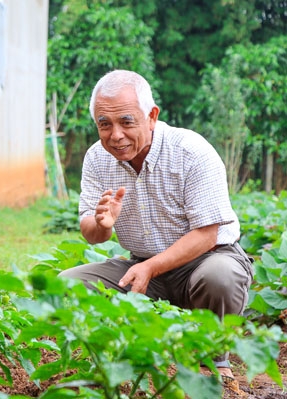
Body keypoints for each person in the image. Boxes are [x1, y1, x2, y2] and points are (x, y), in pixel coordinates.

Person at [58, 70, 253, 382]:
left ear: (151, 116)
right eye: (104, 124)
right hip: (143, 266)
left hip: (207, 259)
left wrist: (151, 268)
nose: (115, 135)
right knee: (65, 285)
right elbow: (91, 233)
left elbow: (207, 234)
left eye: (126, 122)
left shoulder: (191, 151)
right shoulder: (97, 158)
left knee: (220, 277)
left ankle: (214, 357)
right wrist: (101, 225)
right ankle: (122, 353)